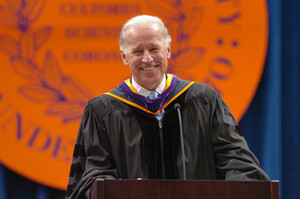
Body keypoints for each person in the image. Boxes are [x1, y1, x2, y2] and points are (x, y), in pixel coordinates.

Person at [65, 15, 270, 199]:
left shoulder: (203, 101)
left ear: (168, 50)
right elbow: (91, 175)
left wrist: (236, 188)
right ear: (124, 57)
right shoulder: (102, 111)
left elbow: (236, 159)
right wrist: (120, 189)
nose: (147, 58)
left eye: (154, 49)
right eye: (137, 51)